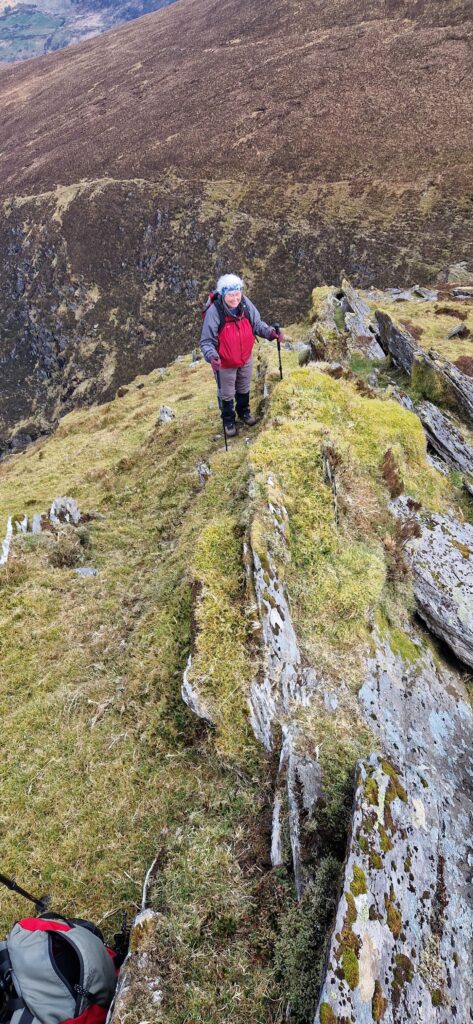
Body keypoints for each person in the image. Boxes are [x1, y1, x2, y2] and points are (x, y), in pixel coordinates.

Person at [199, 273, 283, 437]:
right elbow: (206, 341)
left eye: (237, 294)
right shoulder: (215, 312)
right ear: (223, 294)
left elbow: (257, 324)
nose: (235, 298)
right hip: (224, 362)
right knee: (227, 393)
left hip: (245, 358)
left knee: (244, 387)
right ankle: (228, 420)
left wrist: (271, 333)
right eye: (231, 295)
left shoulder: (245, 304)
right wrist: (211, 356)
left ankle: (244, 413)